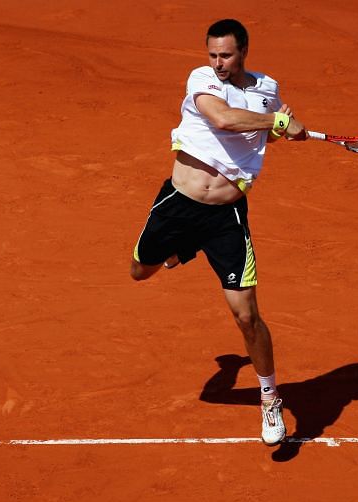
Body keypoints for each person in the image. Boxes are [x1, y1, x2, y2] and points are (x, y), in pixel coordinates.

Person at [129, 18, 308, 446]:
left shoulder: (267, 88)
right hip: (179, 205)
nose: (218, 63)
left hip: (227, 216)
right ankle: (186, 248)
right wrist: (276, 123)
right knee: (140, 271)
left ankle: (269, 398)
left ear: (244, 50)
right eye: (212, 54)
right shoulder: (202, 79)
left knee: (247, 315)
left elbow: (264, 135)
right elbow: (225, 120)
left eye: (226, 54)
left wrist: (286, 127)